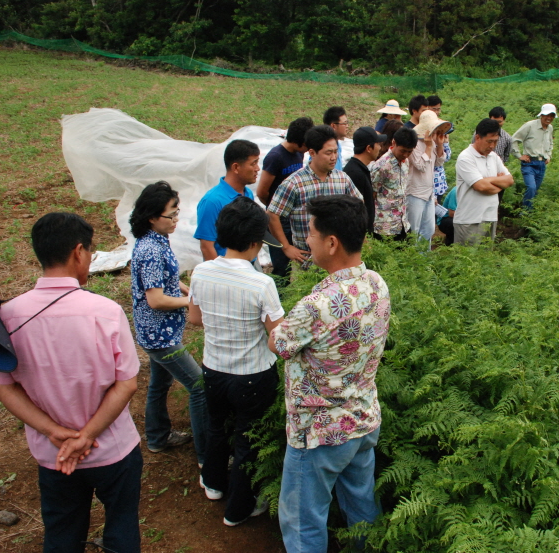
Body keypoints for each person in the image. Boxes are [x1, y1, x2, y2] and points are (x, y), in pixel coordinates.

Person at [0, 213, 141, 553]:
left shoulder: (7, 317)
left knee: (62, 533)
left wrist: (54, 432)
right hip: (112, 450)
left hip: (53, 454)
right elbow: (126, 385)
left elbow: (2, 386)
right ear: (78, 252)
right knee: (122, 526)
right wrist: (87, 436)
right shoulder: (106, 312)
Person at [270, 195, 391, 553]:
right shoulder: (377, 283)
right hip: (363, 417)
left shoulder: (317, 306)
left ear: (332, 242)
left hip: (320, 432)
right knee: (362, 505)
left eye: (310, 233)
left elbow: (279, 344)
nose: (306, 240)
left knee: (303, 520)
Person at [188, 197, 284, 527]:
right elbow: (278, 338)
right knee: (247, 439)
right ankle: (239, 508)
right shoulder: (261, 283)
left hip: (213, 368)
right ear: (256, 243)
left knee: (216, 427)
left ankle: (213, 484)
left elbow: (195, 318)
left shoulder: (201, 271)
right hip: (252, 375)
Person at [129, 181, 206, 466]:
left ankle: (157, 437)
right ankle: (206, 454)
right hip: (160, 336)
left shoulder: (158, 239)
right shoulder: (150, 250)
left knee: (159, 384)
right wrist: (190, 302)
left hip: (159, 331)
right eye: (170, 215)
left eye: (176, 213)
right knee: (199, 386)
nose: (175, 220)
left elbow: (169, 281)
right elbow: (156, 299)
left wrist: (189, 290)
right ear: (152, 217)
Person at [267, 125, 363, 268]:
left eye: (335, 151)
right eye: (328, 153)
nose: (333, 157)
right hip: (307, 264)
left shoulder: (342, 179)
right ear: (312, 152)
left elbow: (359, 205)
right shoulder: (294, 183)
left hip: (338, 262)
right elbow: (272, 214)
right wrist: (286, 247)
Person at [256, 117, 314, 279]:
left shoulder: (298, 154)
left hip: (292, 216)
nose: (308, 149)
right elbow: (262, 191)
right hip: (278, 218)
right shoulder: (276, 157)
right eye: (306, 145)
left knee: (296, 261)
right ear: (297, 142)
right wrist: (277, 209)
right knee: (281, 266)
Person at [195, 139, 259, 260]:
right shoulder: (212, 201)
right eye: (253, 164)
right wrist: (220, 272)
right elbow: (207, 247)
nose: (258, 169)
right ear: (236, 167)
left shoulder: (248, 194)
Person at [454, 119, 515, 245]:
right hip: (469, 219)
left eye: (495, 141)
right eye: (489, 141)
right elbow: (481, 187)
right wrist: (499, 183)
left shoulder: (494, 157)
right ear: (478, 138)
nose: (492, 146)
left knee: (486, 255)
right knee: (467, 255)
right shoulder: (466, 157)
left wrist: (488, 180)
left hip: (490, 217)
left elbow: (509, 180)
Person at [407, 110, 450, 246]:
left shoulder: (431, 142)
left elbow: (439, 162)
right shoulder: (414, 143)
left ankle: (424, 256)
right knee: (414, 230)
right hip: (415, 193)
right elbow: (420, 165)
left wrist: (440, 144)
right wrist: (429, 147)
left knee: (429, 229)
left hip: (429, 193)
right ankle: (412, 256)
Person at [370, 126, 418, 241]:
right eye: (403, 151)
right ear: (394, 143)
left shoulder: (405, 162)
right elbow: (372, 194)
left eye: (409, 152)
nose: (406, 155)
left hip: (402, 223)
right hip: (384, 226)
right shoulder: (382, 165)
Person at [511, 103, 557, 209]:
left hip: (541, 164)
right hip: (529, 163)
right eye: (547, 115)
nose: (549, 118)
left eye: (552, 116)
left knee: (535, 190)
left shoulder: (550, 128)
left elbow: (550, 143)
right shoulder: (530, 126)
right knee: (531, 187)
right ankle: (525, 212)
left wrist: (548, 155)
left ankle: (530, 213)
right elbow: (514, 139)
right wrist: (519, 155)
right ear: (541, 115)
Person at [344, 126, 387, 235]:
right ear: (369, 148)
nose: (380, 148)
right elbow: (354, 212)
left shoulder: (360, 169)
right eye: (378, 144)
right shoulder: (355, 173)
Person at [426, 94, 450, 202]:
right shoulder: (423, 129)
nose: (436, 112)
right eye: (433, 109)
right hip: (428, 182)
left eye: (438, 109)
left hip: (439, 181)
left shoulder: (442, 126)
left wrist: (444, 143)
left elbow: (447, 157)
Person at [323, 106, 349, 171]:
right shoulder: (322, 146)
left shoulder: (337, 144)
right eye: (344, 123)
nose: (347, 126)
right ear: (333, 126)